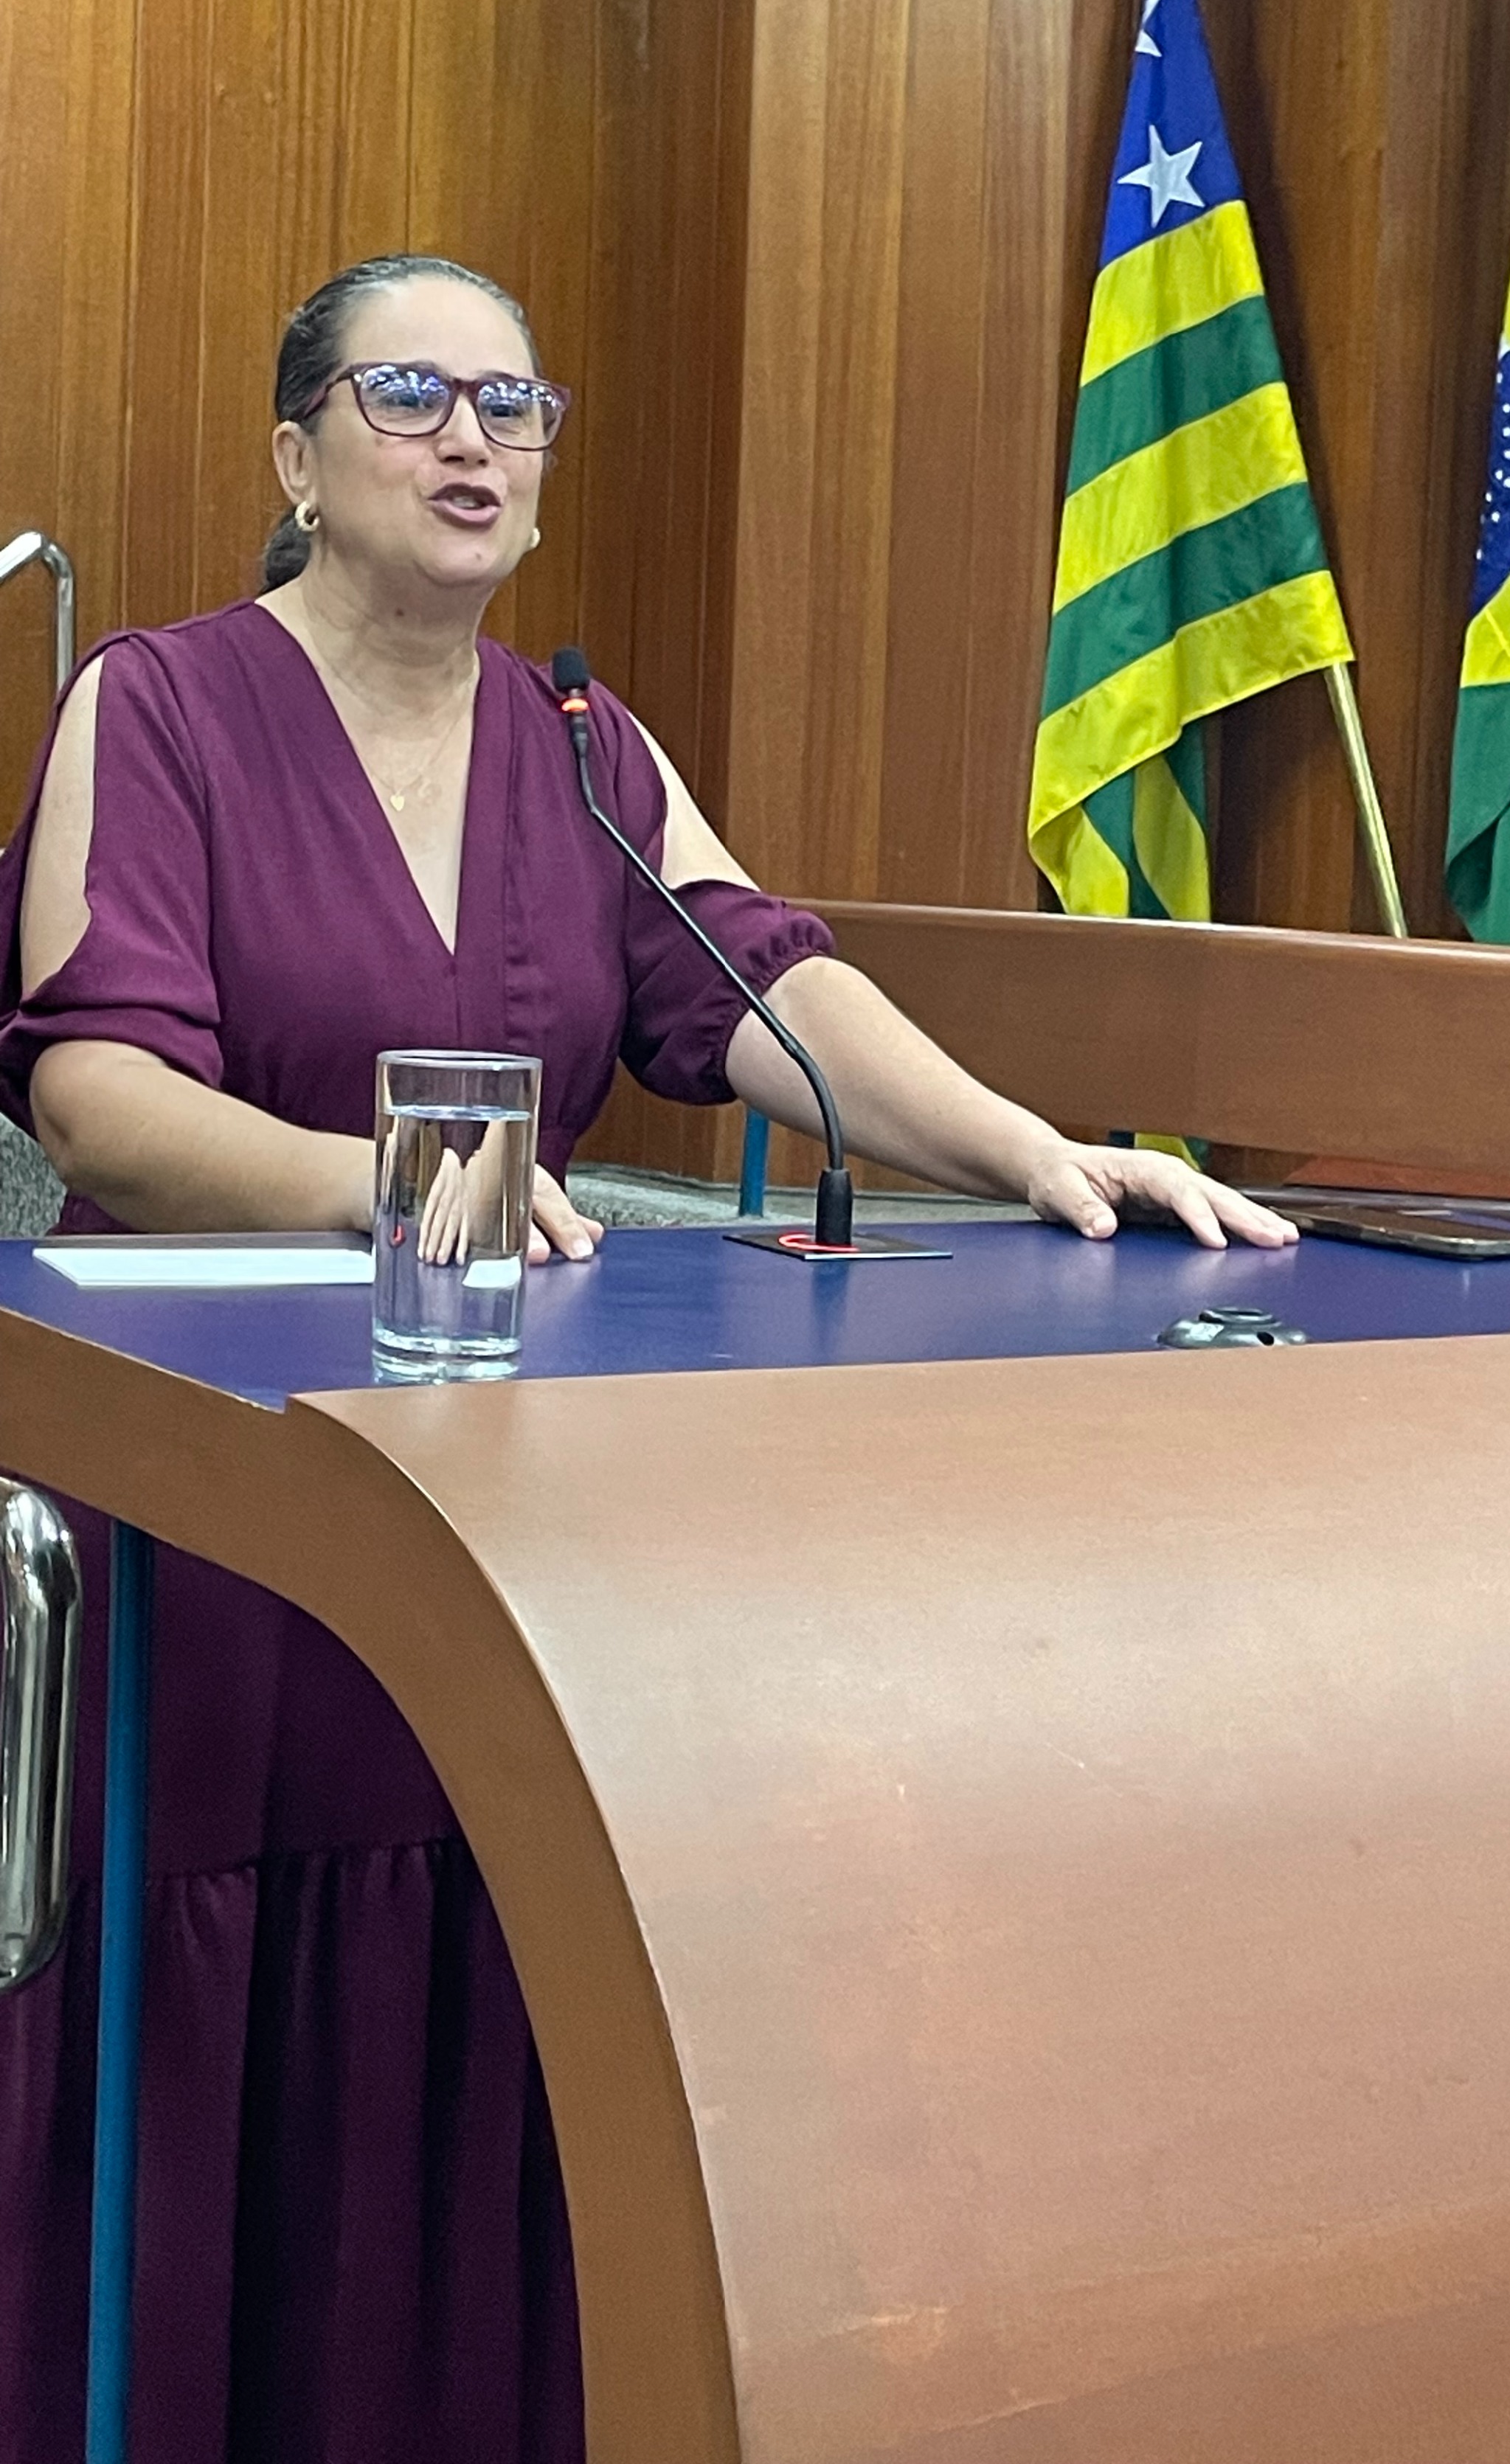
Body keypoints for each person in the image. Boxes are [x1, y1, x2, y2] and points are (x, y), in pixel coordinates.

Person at [0, 254, 1295, 2464]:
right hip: (225, 1522)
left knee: (499, 1972)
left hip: (512, 1528)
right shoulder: (162, 702)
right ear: (297, 455)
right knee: (217, 2023)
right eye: (412, 395)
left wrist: (1036, 1148)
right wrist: (393, 1187)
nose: (474, 440)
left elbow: (761, 985)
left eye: (515, 405)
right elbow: (94, 1093)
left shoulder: (586, 747)